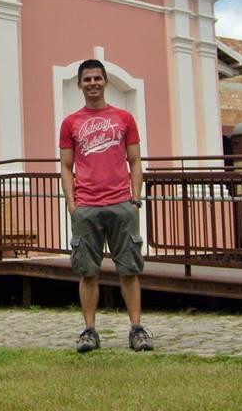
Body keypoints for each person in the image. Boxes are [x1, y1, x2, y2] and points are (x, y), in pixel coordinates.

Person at [60, 59, 152, 353]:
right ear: (79, 85)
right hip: (86, 205)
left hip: (121, 204)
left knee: (129, 270)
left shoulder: (124, 118)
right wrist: (72, 204)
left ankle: (137, 329)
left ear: (105, 82)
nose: (93, 84)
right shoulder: (70, 123)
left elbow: (135, 160)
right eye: (87, 79)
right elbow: (65, 166)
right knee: (88, 271)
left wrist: (134, 198)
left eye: (98, 78)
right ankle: (89, 331)